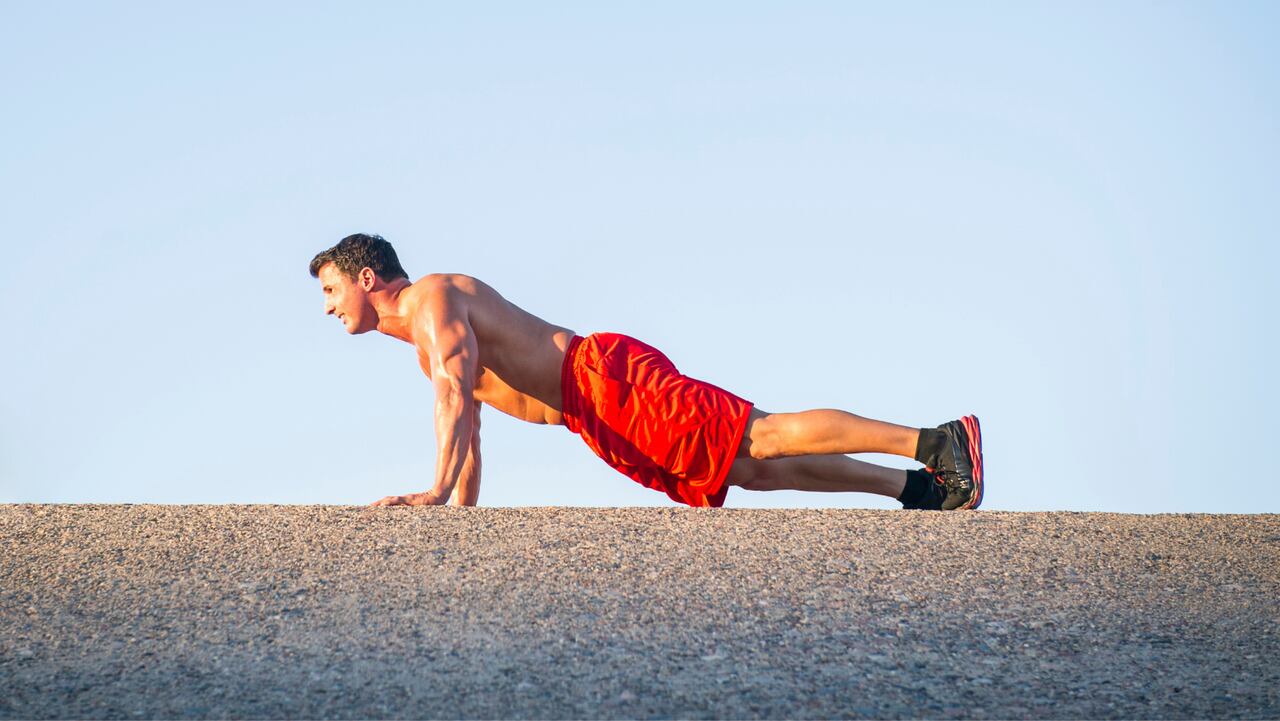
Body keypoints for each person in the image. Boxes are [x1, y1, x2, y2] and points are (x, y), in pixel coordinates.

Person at [310, 233, 983, 511]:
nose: (329, 306)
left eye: (332, 289)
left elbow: (455, 398)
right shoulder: (422, 345)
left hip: (603, 381)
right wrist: (457, 517)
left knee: (761, 435)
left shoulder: (431, 299)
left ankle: (937, 443)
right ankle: (917, 489)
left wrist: (432, 492)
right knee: (746, 469)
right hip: (593, 419)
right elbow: (471, 432)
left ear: (367, 278)